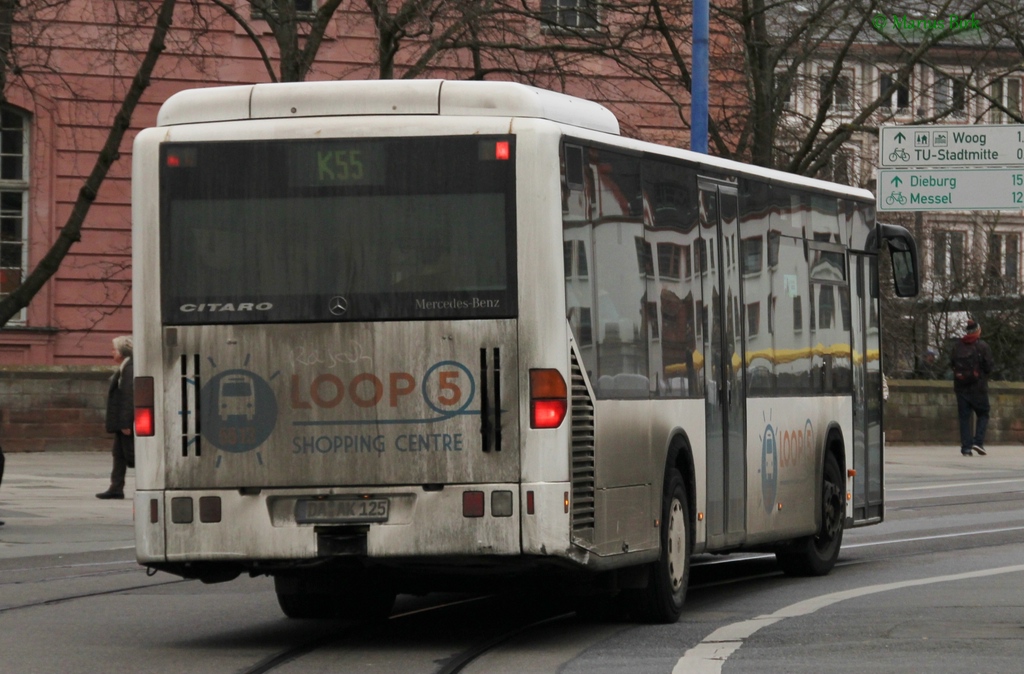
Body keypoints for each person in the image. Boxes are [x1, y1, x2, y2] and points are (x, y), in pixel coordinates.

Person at [97, 336, 135, 499]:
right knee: (118, 454)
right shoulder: (124, 367)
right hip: (121, 422)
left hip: (125, 422)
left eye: (114, 349)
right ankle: (116, 488)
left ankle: (151, 482)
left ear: (122, 352)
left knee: (132, 454)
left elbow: (128, 397)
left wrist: (126, 423)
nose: (112, 352)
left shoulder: (129, 369)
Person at [950, 319, 994, 457]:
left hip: (961, 388)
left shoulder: (957, 346)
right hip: (978, 388)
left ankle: (966, 448)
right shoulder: (982, 346)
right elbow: (989, 366)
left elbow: (951, 363)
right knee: (983, 413)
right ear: (977, 331)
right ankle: (978, 442)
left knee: (964, 418)